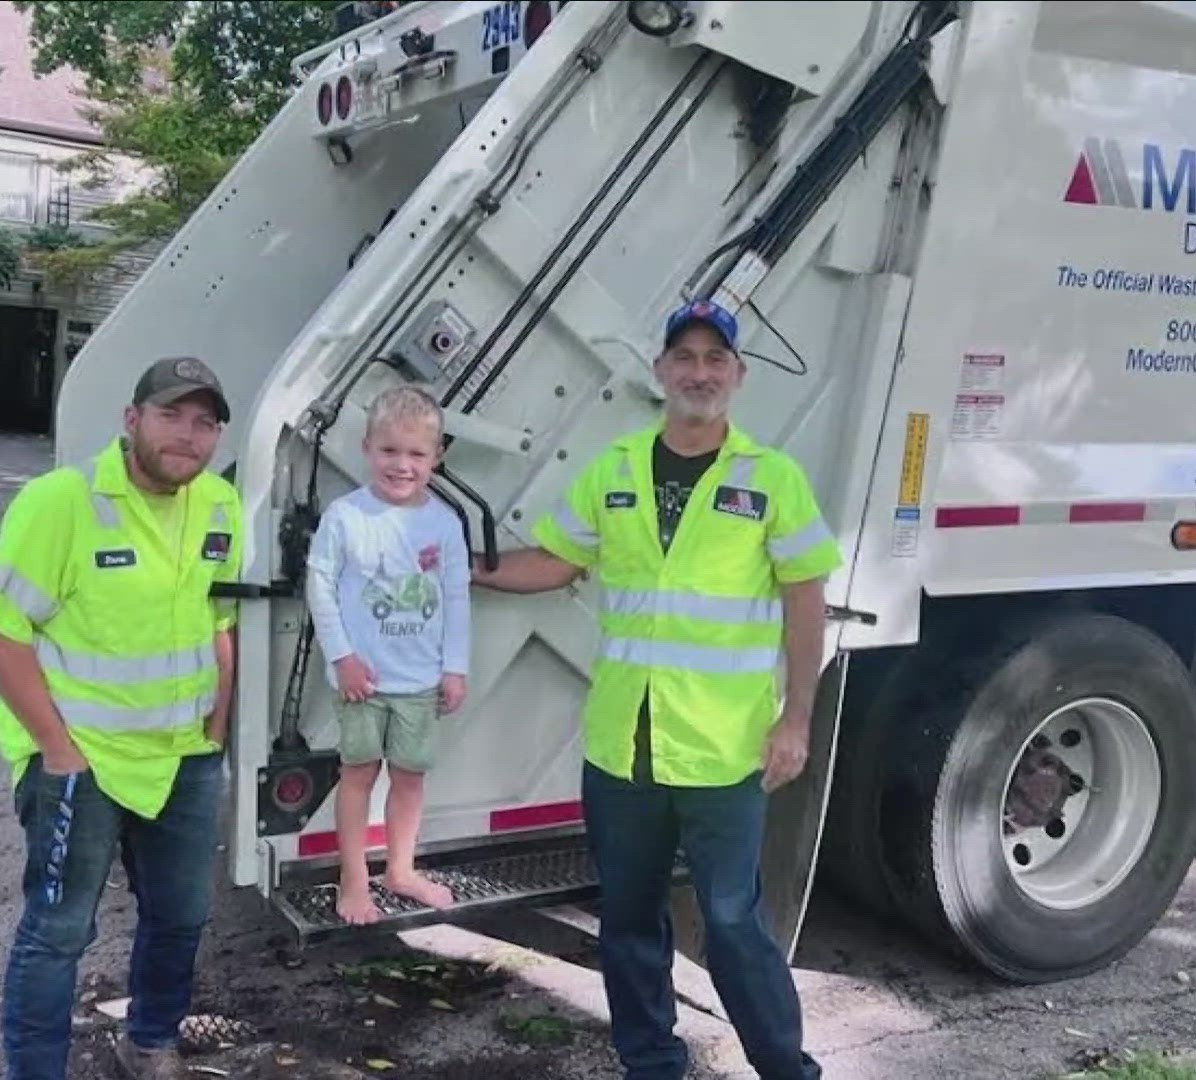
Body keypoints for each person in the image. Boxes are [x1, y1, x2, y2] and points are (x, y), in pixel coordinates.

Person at [472, 300, 841, 1080]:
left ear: (737, 375)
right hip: (622, 746)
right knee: (630, 921)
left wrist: (797, 719)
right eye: (686, 357)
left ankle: (787, 1069)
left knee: (735, 921)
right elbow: (557, 560)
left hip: (723, 750)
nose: (700, 372)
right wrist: (474, 565)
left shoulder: (771, 479)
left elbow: (806, 598)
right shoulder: (616, 469)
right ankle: (651, 1063)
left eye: (716, 358)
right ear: (661, 371)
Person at [0, 355, 244, 1080]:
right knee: (59, 931)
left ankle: (150, 1041)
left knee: (182, 915)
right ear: (131, 421)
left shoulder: (219, 502)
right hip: (81, 761)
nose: (187, 435)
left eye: (204, 422)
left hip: (182, 757)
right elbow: (0, 628)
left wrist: (214, 733)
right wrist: (56, 749)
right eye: (170, 416)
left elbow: (220, 621)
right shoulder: (62, 501)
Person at [305, 384, 471, 925]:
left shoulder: (445, 523)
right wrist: (342, 658)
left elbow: (456, 597)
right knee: (357, 774)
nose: (402, 465)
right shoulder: (345, 516)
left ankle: (401, 870)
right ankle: (353, 881)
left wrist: (454, 667)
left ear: (436, 457)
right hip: (364, 682)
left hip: (420, 682)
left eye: (416, 454)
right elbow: (320, 586)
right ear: (367, 447)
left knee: (410, 777)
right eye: (389, 451)